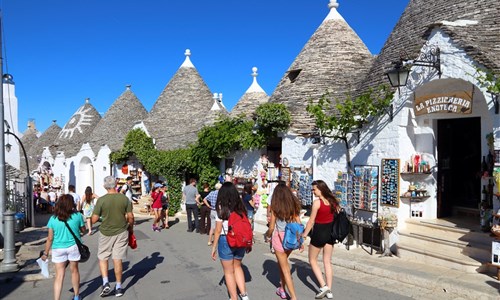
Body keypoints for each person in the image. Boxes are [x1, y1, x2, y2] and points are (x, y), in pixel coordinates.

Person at [91, 176, 134, 298]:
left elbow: (94, 219)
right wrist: (130, 228)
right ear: (115, 184)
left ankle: (105, 283)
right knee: (117, 259)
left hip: (105, 232)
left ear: (105, 186)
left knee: (103, 257)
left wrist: (97, 218)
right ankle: (119, 287)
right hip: (121, 231)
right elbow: (130, 216)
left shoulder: (101, 201)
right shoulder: (124, 199)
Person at [41, 194, 86, 300]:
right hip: (73, 247)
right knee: (74, 270)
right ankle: (76, 296)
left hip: (58, 248)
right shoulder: (77, 216)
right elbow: (83, 230)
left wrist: (45, 253)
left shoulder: (53, 219)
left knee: (59, 275)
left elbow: (50, 238)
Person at [211, 182, 250, 300]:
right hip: (240, 239)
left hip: (225, 239)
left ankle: (234, 298)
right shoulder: (240, 206)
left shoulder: (221, 207)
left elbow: (218, 230)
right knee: (237, 267)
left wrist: (213, 247)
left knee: (228, 272)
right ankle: (244, 295)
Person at [302, 180, 339, 299]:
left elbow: (311, 221)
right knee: (327, 261)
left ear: (321, 189)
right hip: (330, 234)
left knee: (312, 260)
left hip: (319, 233)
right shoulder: (333, 201)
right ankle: (329, 290)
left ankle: (323, 286)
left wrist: (304, 235)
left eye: (314, 189)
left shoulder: (317, 203)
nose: (313, 191)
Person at [265, 182, 303, 300]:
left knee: (285, 269)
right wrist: (300, 241)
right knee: (283, 264)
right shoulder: (293, 207)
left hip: (279, 239)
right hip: (291, 238)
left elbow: (271, 227)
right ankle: (282, 288)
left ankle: (293, 297)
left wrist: (268, 236)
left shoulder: (275, 208)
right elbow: (299, 224)